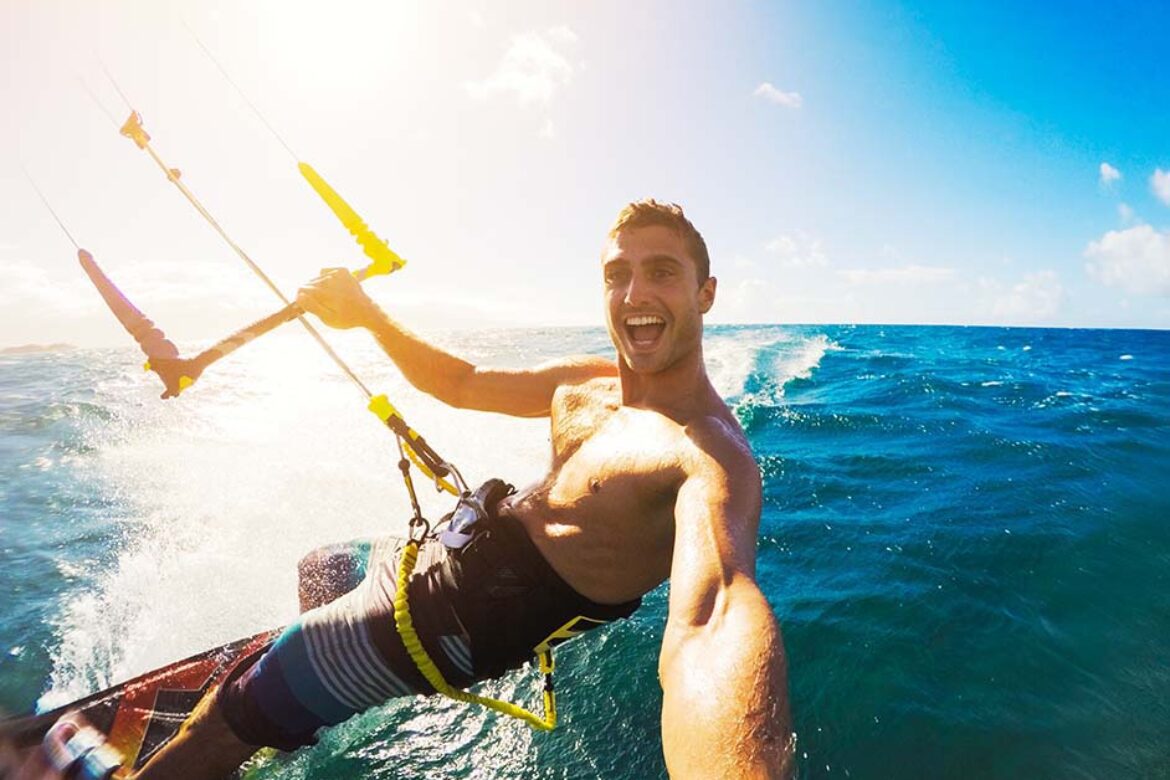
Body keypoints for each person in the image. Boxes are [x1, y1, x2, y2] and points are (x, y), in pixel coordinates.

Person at [128, 199, 793, 779]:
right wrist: (368, 316)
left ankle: (250, 720)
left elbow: (715, 618)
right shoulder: (592, 383)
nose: (634, 294)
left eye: (662, 273)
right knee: (322, 566)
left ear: (705, 294)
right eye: (618, 275)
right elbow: (464, 382)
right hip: (433, 556)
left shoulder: (705, 455)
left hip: (441, 625)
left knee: (223, 717)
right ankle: (293, 711)